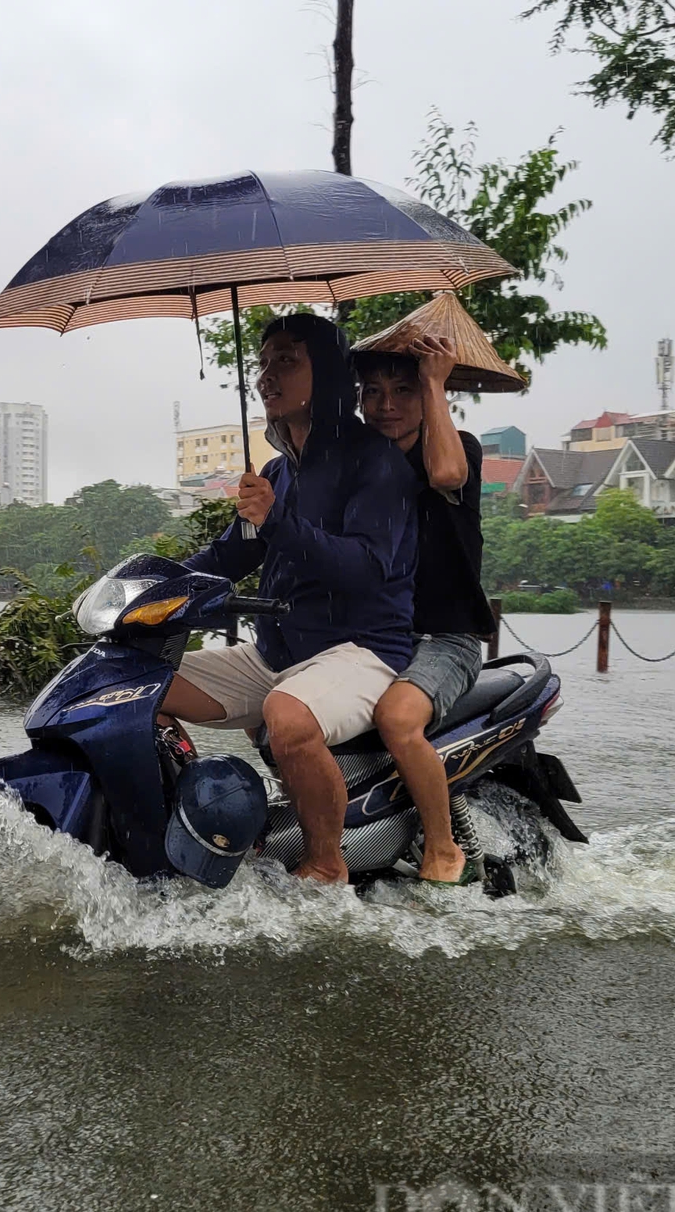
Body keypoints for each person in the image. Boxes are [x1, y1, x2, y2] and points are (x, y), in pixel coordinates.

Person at [163, 313, 419, 885]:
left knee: (288, 714)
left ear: (326, 374)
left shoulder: (374, 461)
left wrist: (277, 520)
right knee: (142, 686)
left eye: (287, 360)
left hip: (361, 649)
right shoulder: (277, 469)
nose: (266, 376)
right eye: (263, 363)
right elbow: (229, 558)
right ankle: (193, 827)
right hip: (278, 651)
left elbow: (368, 567)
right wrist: (152, 585)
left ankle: (326, 864)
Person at [355, 335, 497, 885]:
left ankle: (441, 847)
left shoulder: (458, 448)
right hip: (379, 635)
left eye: (403, 391)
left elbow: (445, 475)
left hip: (446, 637)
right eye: (373, 392)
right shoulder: (362, 465)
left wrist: (436, 379)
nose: (387, 404)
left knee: (396, 718)